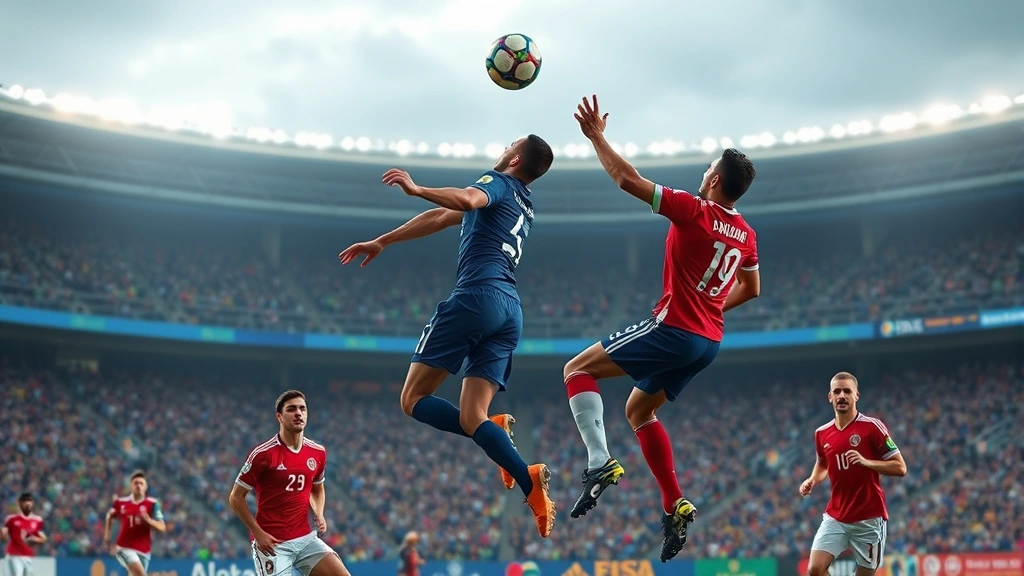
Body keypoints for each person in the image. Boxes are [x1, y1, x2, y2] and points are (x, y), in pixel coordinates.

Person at [565, 95, 761, 562]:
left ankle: (598, 462)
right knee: (639, 411)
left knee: (576, 369)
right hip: (708, 340)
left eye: (709, 167)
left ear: (714, 179)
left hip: (673, 328)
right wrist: (710, 305)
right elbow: (752, 289)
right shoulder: (748, 234)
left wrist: (597, 137)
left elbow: (625, 179)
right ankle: (674, 503)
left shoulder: (693, 209)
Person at [338, 135, 557, 537]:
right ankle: (523, 472)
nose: (504, 145)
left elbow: (467, 199)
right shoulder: (525, 205)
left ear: (513, 157)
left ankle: (510, 454)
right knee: (474, 417)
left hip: (477, 298)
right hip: (510, 311)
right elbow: (442, 216)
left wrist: (417, 188)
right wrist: (384, 240)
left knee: (412, 399)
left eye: (510, 143)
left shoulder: (497, 183)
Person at [229, 390, 351, 576]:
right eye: (291, 409)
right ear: (279, 416)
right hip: (272, 543)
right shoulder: (263, 454)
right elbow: (236, 498)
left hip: (306, 539)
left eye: (302, 409)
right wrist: (257, 533)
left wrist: (319, 513)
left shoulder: (318, 452)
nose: (298, 413)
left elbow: (317, 489)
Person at [800, 372, 907, 576]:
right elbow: (822, 463)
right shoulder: (821, 433)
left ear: (856, 395)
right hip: (836, 516)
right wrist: (812, 479)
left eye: (847, 391)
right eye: (837, 391)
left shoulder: (872, 427)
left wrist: (867, 462)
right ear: (830, 396)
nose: (842, 395)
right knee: (814, 569)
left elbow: (900, 467)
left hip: (869, 518)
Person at [103, 471, 166, 576]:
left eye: (141, 483)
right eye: (135, 483)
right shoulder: (121, 503)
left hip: (144, 550)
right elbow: (109, 516)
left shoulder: (152, 504)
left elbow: (162, 527)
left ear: (145, 487)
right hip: (124, 548)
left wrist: (149, 521)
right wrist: (107, 539)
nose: (138, 486)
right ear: (131, 486)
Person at [1, 492, 46, 576]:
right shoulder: (11, 519)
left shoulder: (37, 521)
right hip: (13, 554)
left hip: (27, 556)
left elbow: (42, 539)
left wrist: (33, 540)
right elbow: (3, 534)